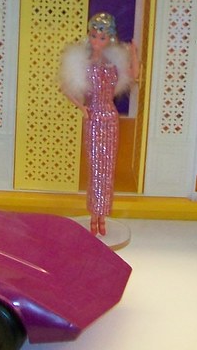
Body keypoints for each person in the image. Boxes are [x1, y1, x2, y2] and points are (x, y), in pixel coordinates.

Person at [59, 12, 138, 236]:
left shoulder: (114, 64)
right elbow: (65, 87)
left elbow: (133, 74)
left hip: (110, 118)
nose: (96, 41)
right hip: (94, 119)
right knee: (95, 168)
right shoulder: (84, 64)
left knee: (107, 169)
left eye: (102, 37)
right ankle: (94, 216)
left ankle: (102, 216)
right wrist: (82, 108)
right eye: (93, 36)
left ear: (109, 39)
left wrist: (133, 53)